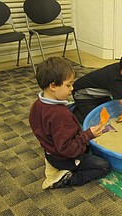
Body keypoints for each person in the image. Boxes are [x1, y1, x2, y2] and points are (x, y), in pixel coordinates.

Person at [29, 57, 111, 189]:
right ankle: (67, 178)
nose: (72, 88)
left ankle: (53, 161)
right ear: (53, 86)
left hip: (51, 151)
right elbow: (67, 149)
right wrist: (87, 135)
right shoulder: (60, 115)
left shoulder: (37, 104)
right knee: (103, 166)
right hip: (64, 158)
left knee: (88, 148)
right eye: (68, 85)